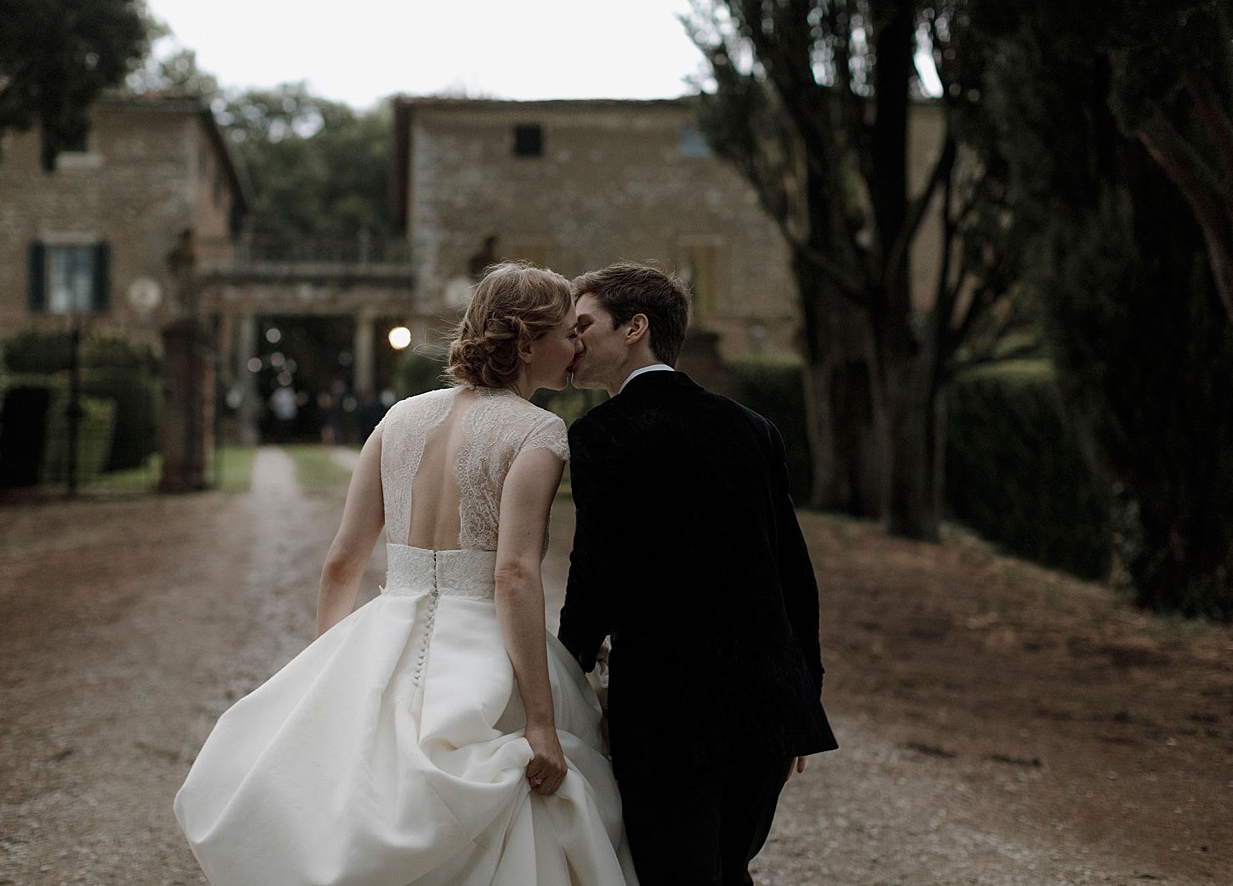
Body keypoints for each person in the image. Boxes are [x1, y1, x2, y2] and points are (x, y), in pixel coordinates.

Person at [175, 263, 637, 886]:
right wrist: (539, 720)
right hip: (483, 647)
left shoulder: (400, 418)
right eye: (565, 332)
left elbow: (343, 558)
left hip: (388, 623)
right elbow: (515, 577)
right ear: (527, 345)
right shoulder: (539, 431)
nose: (578, 344)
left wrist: (332, 663)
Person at [558, 262, 837, 885]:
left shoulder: (601, 433)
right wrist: (803, 692)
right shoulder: (753, 427)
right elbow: (794, 568)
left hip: (667, 713)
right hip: (767, 706)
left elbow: (596, 566)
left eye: (583, 325)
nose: (572, 342)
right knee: (728, 871)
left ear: (635, 327)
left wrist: (566, 666)